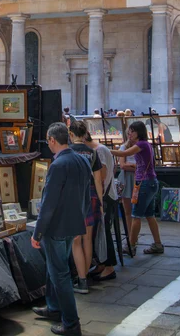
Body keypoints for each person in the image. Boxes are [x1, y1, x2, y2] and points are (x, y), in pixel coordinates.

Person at [31, 122, 91, 336]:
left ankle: (71, 324)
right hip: (72, 224)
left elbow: (48, 204)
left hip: (56, 227)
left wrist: (38, 232)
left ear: (53, 140)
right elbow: (86, 196)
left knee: (60, 274)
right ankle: (54, 308)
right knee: (55, 268)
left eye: (48, 141)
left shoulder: (58, 165)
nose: (48, 144)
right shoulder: (82, 160)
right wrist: (80, 220)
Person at [111, 121, 164, 257]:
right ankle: (157, 244)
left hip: (145, 183)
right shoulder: (145, 145)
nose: (130, 134)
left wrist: (104, 149)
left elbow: (123, 154)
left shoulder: (141, 144)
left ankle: (131, 245)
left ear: (139, 132)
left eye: (132, 131)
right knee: (149, 215)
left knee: (136, 216)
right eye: (129, 131)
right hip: (148, 182)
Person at [69, 121, 103, 294]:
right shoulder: (92, 153)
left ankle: (81, 279)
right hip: (90, 195)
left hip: (74, 197)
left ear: (71, 134)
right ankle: (86, 276)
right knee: (88, 239)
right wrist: (101, 200)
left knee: (76, 240)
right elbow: (98, 179)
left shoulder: (68, 152)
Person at [85, 139, 118, 281]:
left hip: (104, 196)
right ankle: (102, 263)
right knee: (100, 231)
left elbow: (102, 176)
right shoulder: (100, 149)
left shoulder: (98, 150)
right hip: (104, 195)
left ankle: (109, 266)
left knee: (104, 232)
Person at [118, 137, 136, 246]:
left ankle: (133, 237)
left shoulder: (141, 147)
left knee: (137, 211)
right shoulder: (124, 147)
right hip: (126, 178)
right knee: (127, 210)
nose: (131, 136)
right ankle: (130, 236)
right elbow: (122, 165)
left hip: (137, 178)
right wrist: (136, 166)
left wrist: (130, 165)